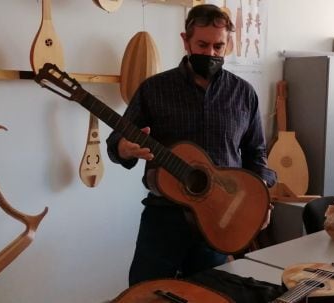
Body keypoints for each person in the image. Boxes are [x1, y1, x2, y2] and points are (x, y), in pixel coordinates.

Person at [106, 4, 276, 286]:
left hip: (219, 219)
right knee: (146, 292)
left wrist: (259, 199)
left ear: (228, 44)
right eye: (202, 45)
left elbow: (256, 153)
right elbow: (116, 144)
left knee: (207, 293)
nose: (210, 53)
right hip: (163, 218)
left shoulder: (244, 94)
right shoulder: (154, 89)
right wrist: (124, 149)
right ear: (185, 40)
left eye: (218, 46)